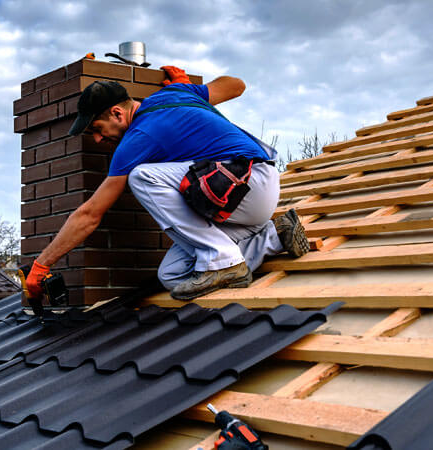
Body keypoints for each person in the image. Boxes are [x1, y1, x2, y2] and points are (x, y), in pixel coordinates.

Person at [25, 66, 308, 301]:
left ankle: (224, 260)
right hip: (244, 200)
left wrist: (43, 264)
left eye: (97, 129)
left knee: (142, 176)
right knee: (172, 275)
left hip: (247, 183)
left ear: (117, 113)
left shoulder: (138, 138)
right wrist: (191, 90)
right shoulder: (176, 92)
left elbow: (90, 214)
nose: (98, 140)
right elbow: (236, 85)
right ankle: (275, 236)